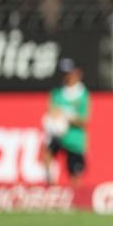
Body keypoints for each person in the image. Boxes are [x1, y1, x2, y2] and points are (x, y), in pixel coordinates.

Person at [41, 58, 90, 187]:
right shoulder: (57, 91)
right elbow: (51, 109)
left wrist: (66, 116)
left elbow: (83, 120)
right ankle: (51, 189)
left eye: (68, 73)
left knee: (74, 172)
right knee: (47, 155)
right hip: (58, 135)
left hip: (74, 138)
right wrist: (54, 117)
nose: (65, 76)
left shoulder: (82, 94)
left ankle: (75, 200)